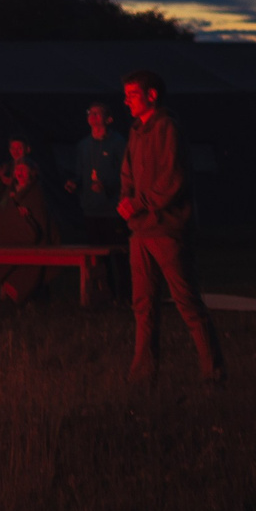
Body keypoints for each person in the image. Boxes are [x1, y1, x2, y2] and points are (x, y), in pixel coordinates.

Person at [118, 70, 226, 383]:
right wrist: (126, 200)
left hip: (167, 229)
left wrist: (140, 203)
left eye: (133, 95)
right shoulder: (137, 130)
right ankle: (143, 373)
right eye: (126, 95)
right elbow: (127, 173)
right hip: (140, 231)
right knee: (143, 305)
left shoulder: (167, 127)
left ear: (151, 95)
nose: (126, 101)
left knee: (187, 302)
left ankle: (213, 371)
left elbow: (173, 179)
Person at [0, 137, 58, 303]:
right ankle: (8, 290)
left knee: (32, 258)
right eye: (18, 170)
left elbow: (41, 217)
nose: (20, 173)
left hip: (33, 238)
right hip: (11, 236)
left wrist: (27, 217)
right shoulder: (10, 186)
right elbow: (3, 212)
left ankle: (30, 293)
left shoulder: (36, 191)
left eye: (24, 170)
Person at [68, 103, 128, 299]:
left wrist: (108, 186)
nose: (92, 116)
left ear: (108, 119)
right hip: (91, 209)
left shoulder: (118, 143)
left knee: (119, 254)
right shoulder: (84, 145)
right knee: (97, 257)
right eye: (90, 113)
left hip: (113, 208)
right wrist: (75, 183)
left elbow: (127, 174)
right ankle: (105, 295)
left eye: (97, 113)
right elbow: (80, 172)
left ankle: (126, 295)